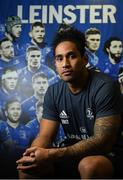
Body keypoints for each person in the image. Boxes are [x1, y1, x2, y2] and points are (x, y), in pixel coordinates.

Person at [16, 26, 122, 179]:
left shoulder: (106, 86)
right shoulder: (53, 91)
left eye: (71, 56)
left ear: (84, 59)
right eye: (59, 58)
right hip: (69, 151)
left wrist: (52, 154)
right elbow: (45, 136)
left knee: (89, 166)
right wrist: (33, 156)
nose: (65, 64)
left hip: (107, 154)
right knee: (27, 170)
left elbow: (102, 142)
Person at [1, 98, 34, 178]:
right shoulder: (1, 128)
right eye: (12, 109)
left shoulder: (29, 131)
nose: (16, 112)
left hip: (24, 174)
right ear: (6, 113)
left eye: (18, 109)